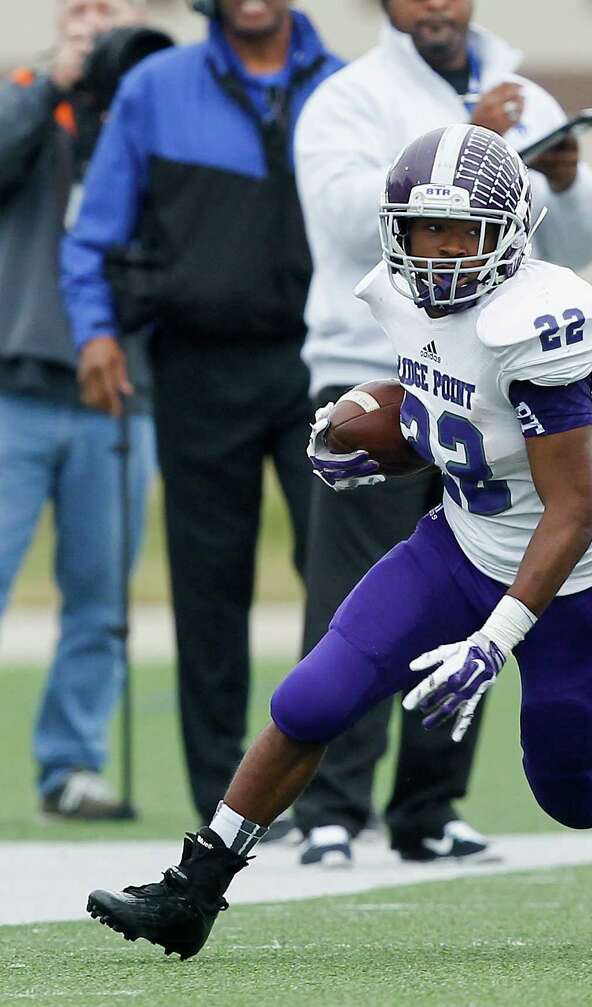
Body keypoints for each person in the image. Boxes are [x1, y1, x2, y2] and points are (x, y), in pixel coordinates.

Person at [85, 124, 592, 960]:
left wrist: (494, 641)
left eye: (460, 231)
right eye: (423, 230)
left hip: (568, 579)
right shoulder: (404, 297)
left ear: (508, 232)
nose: (438, 253)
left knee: (578, 794)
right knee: (310, 700)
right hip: (455, 547)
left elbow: (569, 508)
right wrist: (373, 429)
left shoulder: (541, 325)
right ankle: (193, 890)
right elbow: (437, 380)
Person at [291, 0, 592, 866]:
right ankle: (331, 805)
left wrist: (570, 178)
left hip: (499, 383)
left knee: (480, 573)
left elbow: (580, 244)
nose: (437, 3)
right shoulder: (349, 95)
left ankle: (429, 805)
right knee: (364, 592)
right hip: (379, 367)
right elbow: (336, 221)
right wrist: (463, 144)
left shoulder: (524, 91)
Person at [60, 0, 341, 825]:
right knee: (209, 589)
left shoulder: (345, 87)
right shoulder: (154, 86)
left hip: (320, 365)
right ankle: (228, 801)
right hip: (196, 365)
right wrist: (95, 332)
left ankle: (329, 796)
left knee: (337, 580)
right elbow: (94, 232)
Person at [0, 0, 156, 820]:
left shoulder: (156, 97)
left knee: (101, 594)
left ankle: (72, 765)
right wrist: (54, 81)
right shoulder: (25, 89)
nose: (97, 20)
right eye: (82, 7)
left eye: (113, 7)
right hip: (14, 385)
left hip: (120, 394)